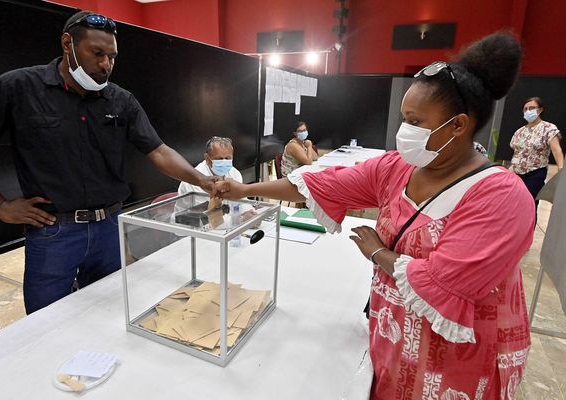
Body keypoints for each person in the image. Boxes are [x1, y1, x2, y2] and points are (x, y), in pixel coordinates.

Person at [215, 32, 534, 399]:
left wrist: (379, 254)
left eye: (415, 120)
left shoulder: (501, 196)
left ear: (458, 125)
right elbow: (324, 183)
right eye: (404, 118)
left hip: (457, 363)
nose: (404, 131)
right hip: (395, 339)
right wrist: (243, 189)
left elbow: (448, 280)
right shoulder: (397, 168)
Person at [0, 11, 217, 314]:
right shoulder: (19, 88)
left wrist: (203, 180)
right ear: (67, 44)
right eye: (96, 54)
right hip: (53, 233)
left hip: (109, 227)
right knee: (46, 324)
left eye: (112, 57)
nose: (105, 65)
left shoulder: (121, 100)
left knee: (108, 313)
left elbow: (159, 151)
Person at [509, 96, 564, 215]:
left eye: (532, 108)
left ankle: (527, 232)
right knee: (511, 206)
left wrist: (561, 171)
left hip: (534, 173)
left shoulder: (548, 128)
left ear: (540, 110)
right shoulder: (519, 131)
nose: (528, 111)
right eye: (526, 109)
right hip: (515, 174)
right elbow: (515, 151)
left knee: (528, 206)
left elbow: (556, 150)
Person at [178, 136, 242, 195]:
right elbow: (203, 207)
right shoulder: (195, 180)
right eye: (219, 159)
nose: (224, 162)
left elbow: (243, 203)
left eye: (228, 158)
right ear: (207, 158)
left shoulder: (235, 174)